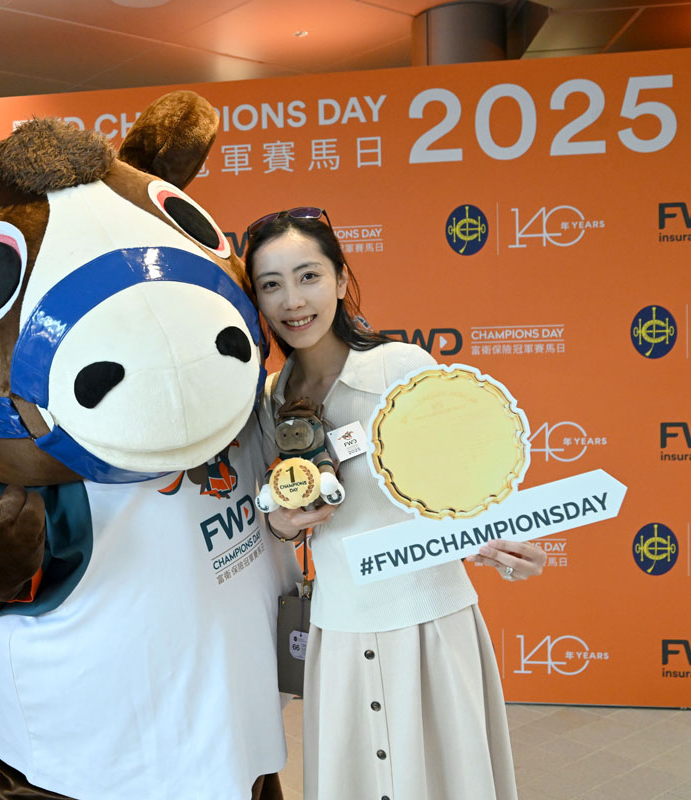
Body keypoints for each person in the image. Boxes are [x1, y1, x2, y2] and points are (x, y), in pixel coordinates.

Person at [244, 208, 547, 800]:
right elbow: (273, 516)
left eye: (308, 276)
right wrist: (281, 523)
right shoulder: (269, 399)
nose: (292, 301)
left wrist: (501, 539)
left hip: (427, 622)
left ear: (340, 278)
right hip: (338, 625)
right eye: (271, 284)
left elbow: (464, 483)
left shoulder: (401, 370)